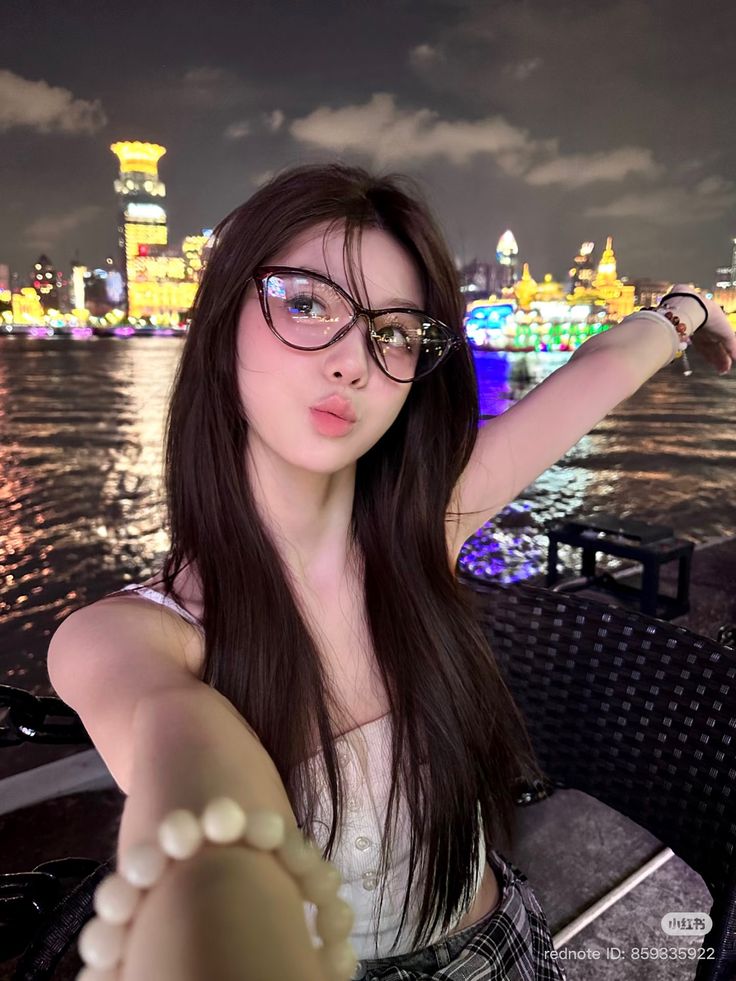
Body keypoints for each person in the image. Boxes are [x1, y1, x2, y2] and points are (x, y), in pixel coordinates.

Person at [46, 162, 736, 981]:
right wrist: (212, 909)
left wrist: (688, 310)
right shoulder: (130, 637)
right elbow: (191, 777)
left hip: (506, 950)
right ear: (223, 318)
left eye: (396, 331)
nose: (354, 361)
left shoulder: (422, 526)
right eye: (307, 303)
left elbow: (599, 373)